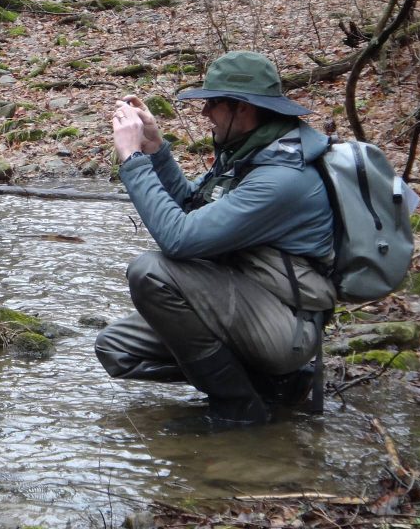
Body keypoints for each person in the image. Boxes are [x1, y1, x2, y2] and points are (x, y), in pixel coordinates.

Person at [94, 50, 336, 426]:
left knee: (151, 271)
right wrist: (155, 149)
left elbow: (179, 238)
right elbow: (194, 207)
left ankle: (239, 410)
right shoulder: (253, 151)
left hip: (286, 325)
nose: (205, 112)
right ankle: (271, 387)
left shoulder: (283, 177)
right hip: (245, 300)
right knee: (117, 349)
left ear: (243, 108)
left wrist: (132, 160)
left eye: (213, 103)